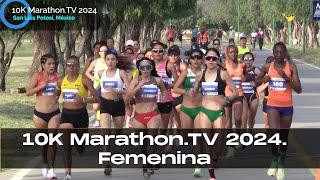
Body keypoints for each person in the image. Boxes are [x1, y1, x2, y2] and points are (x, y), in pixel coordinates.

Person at [256, 42, 302, 180]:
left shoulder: (291, 66)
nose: (279, 55)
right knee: (274, 134)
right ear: (274, 52)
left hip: (287, 106)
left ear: (285, 52)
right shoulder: (268, 66)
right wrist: (265, 79)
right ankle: (275, 159)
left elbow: (299, 89)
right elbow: (257, 81)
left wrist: (286, 78)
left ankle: (281, 163)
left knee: (283, 137)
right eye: (276, 52)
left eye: (281, 52)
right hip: (273, 105)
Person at [193, 48, 238, 179]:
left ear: (218, 60)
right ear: (204, 60)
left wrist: (227, 100)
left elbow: (235, 92)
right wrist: (191, 93)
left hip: (218, 111)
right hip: (204, 111)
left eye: (213, 58)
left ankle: (215, 159)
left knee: (218, 143)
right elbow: (194, 91)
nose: (211, 61)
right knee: (207, 141)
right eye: (208, 58)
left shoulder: (223, 74)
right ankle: (211, 172)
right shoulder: (200, 74)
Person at [57, 55, 99, 180]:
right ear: (65, 67)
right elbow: (55, 96)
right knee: (66, 146)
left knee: (80, 146)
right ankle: (68, 174)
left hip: (81, 115)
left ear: (78, 67)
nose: (71, 68)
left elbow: (96, 98)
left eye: (74, 65)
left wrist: (84, 99)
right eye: (69, 65)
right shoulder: (61, 81)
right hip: (66, 115)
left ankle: (80, 148)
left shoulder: (84, 80)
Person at [125, 57, 167, 175]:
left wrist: (163, 97)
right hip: (139, 115)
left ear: (151, 68)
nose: (145, 70)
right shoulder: (136, 80)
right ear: (139, 69)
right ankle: (145, 163)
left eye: (148, 67)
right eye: (142, 68)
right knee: (142, 142)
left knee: (151, 139)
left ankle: (150, 161)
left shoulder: (157, 80)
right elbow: (128, 96)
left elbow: (164, 90)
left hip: (153, 113)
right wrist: (139, 85)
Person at [26, 54, 61, 179]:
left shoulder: (59, 77)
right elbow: (28, 92)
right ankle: (45, 164)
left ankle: (51, 169)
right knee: (43, 142)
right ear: (43, 65)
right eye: (49, 64)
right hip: (39, 114)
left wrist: (57, 96)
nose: (52, 66)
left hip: (54, 113)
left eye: (53, 64)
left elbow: (60, 90)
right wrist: (42, 86)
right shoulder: (38, 76)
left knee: (52, 140)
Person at [96, 50, 130, 175]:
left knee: (117, 132)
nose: (110, 62)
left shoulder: (120, 73)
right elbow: (100, 87)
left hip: (118, 104)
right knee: (105, 132)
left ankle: (114, 149)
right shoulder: (101, 73)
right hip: (105, 104)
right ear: (105, 61)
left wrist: (118, 91)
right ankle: (107, 161)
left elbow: (129, 89)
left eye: (113, 59)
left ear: (116, 61)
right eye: (108, 59)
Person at [223, 45, 245, 157]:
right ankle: (230, 147)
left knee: (237, 119)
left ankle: (238, 137)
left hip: (239, 94)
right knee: (227, 123)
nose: (233, 54)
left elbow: (245, 75)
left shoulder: (242, 64)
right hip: (227, 95)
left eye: (235, 52)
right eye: (231, 52)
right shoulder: (224, 64)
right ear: (227, 53)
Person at [151, 41, 178, 129]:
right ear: (152, 52)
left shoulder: (169, 65)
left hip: (165, 100)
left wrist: (166, 85)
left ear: (164, 52)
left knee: (164, 127)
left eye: (160, 51)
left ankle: (163, 141)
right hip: (151, 100)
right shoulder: (148, 65)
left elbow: (177, 84)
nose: (158, 53)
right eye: (155, 51)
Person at [85, 44, 108, 127]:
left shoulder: (110, 61)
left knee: (106, 105)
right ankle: (97, 120)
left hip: (107, 86)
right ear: (99, 52)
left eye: (106, 51)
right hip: (97, 85)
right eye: (102, 51)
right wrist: (92, 78)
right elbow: (87, 72)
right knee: (95, 107)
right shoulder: (96, 62)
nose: (104, 52)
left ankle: (105, 119)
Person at [241, 52, 260, 130]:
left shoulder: (255, 70)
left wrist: (256, 83)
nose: (247, 61)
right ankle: (244, 136)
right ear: (242, 60)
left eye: (250, 60)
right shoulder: (239, 70)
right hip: (243, 96)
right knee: (244, 118)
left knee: (251, 118)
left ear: (253, 61)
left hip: (253, 96)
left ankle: (250, 132)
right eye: (245, 59)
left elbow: (265, 78)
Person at [257, 56, 274, 128]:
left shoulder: (279, 75)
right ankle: (268, 137)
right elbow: (259, 90)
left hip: (278, 101)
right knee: (267, 124)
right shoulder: (265, 76)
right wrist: (267, 83)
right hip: (267, 101)